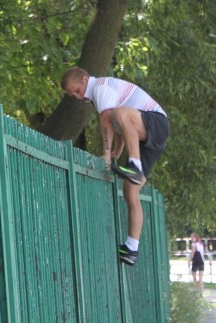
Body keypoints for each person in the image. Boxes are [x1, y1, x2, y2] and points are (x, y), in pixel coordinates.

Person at [60, 66, 170, 267]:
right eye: (72, 95)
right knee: (130, 191)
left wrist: (107, 154)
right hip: (146, 137)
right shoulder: (98, 97)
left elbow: (108, 121)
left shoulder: (100, 87)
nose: (77, 97)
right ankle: (131, 248)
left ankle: (134, 165)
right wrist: (117, 153)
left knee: (118, 113)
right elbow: (122, 129)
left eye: (76, 90)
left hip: (156, 123)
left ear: (85, 79)